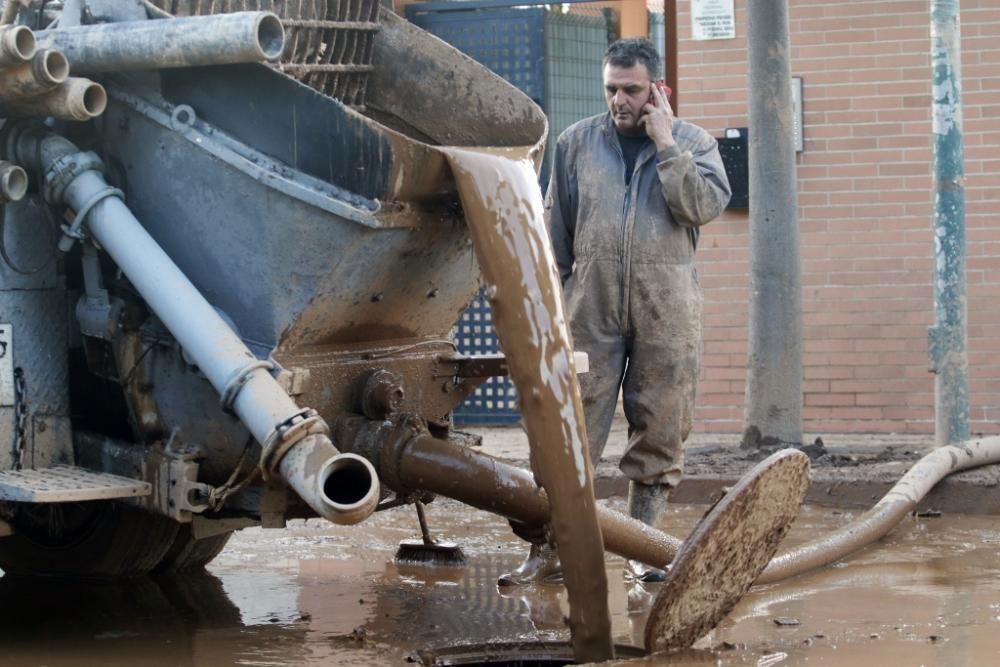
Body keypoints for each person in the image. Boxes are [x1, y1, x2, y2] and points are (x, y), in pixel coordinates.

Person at [499, 37, 731, 586]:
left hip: (666, 312)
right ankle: (551, 549)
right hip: (590, 312)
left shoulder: (694, 143)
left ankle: (642, 548)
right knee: (568, 431)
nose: (619, 100)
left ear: (657, 89)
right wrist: (547, 306)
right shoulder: (578, 143)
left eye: (631, 89)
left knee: (660, 430)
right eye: (611, 89)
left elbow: (702, 206)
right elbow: (556, 231)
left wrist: (667, 143)